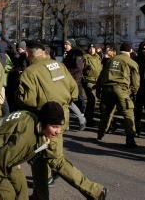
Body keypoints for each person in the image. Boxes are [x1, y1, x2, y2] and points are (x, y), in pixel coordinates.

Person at [17, 41, 105, 200]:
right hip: (61, 117)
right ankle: (40, 195)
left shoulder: (29, 72)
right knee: (38, 158)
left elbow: (26, 100)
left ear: (30, 54)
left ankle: (94, 190)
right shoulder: (59, 66)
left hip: (44, 121)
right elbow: (74, 91)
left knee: (55, 160)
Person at [0, 102, 106, 200]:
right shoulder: (27, 137)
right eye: (54, 126)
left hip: (3, 154)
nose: (58, 131)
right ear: (44, 123)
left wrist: (16, 158)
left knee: (21, 190)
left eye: (60, 127)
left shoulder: (35, 123)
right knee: (7, 195)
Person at [97, 42, 140, 148]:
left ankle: (101, 133)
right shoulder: (130, 61)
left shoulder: (110, 60)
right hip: (121, 89)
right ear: (130, 51)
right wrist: (133, 92)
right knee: (128, 114)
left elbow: (101, 75)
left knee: (107, 112)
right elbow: (135, 80)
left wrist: (98, 89)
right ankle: (130, 140)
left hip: (107, 89)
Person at [82, 43, 102, 126]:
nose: (92, 49)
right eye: (90, 48)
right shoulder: (85, 57)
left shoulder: (98, 57)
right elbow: (81, 69)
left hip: (97, 81)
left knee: (95, 101)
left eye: (93, 48)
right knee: (92, 100)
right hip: (89, 81)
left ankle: (89, 118)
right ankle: (88, 120)